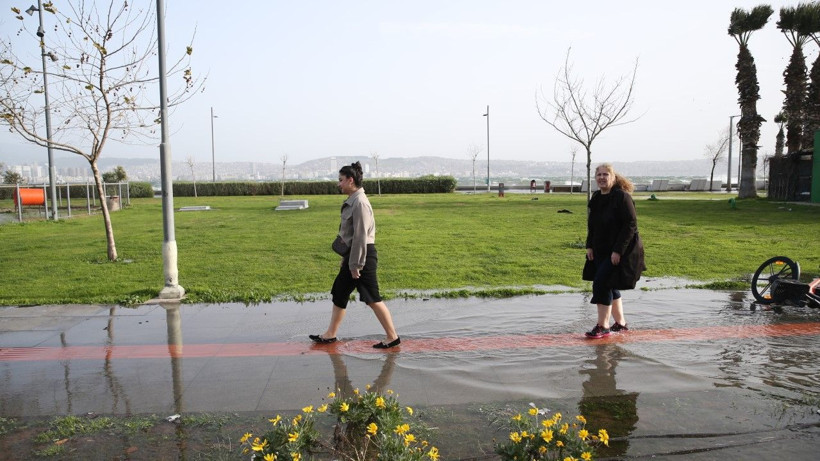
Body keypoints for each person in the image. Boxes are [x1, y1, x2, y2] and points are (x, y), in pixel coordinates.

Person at [310, 162, 401, 349]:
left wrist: (356, 265)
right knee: (340, 292)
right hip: (354, 256)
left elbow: (360, 236)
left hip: (363, 257)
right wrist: (347, 259)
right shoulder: (354, 199)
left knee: (372, 298)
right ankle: (330, 334)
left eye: (341, 180)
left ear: (350, 180)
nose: (339, 184)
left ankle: (392, 337)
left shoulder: (359, 202)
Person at [584, 163, 645, 339]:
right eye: (599, 175)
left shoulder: (622, 197)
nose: (602, 178)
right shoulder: (596, 197)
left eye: (605, 175)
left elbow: (630, 225)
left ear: (613, 177)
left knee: (601, 283)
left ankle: (603, 326)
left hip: (620, 250)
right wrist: (589, 245)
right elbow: (592, 225)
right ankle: (621, 324)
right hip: (599, 250)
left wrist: (618, 251)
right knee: (609, 283)